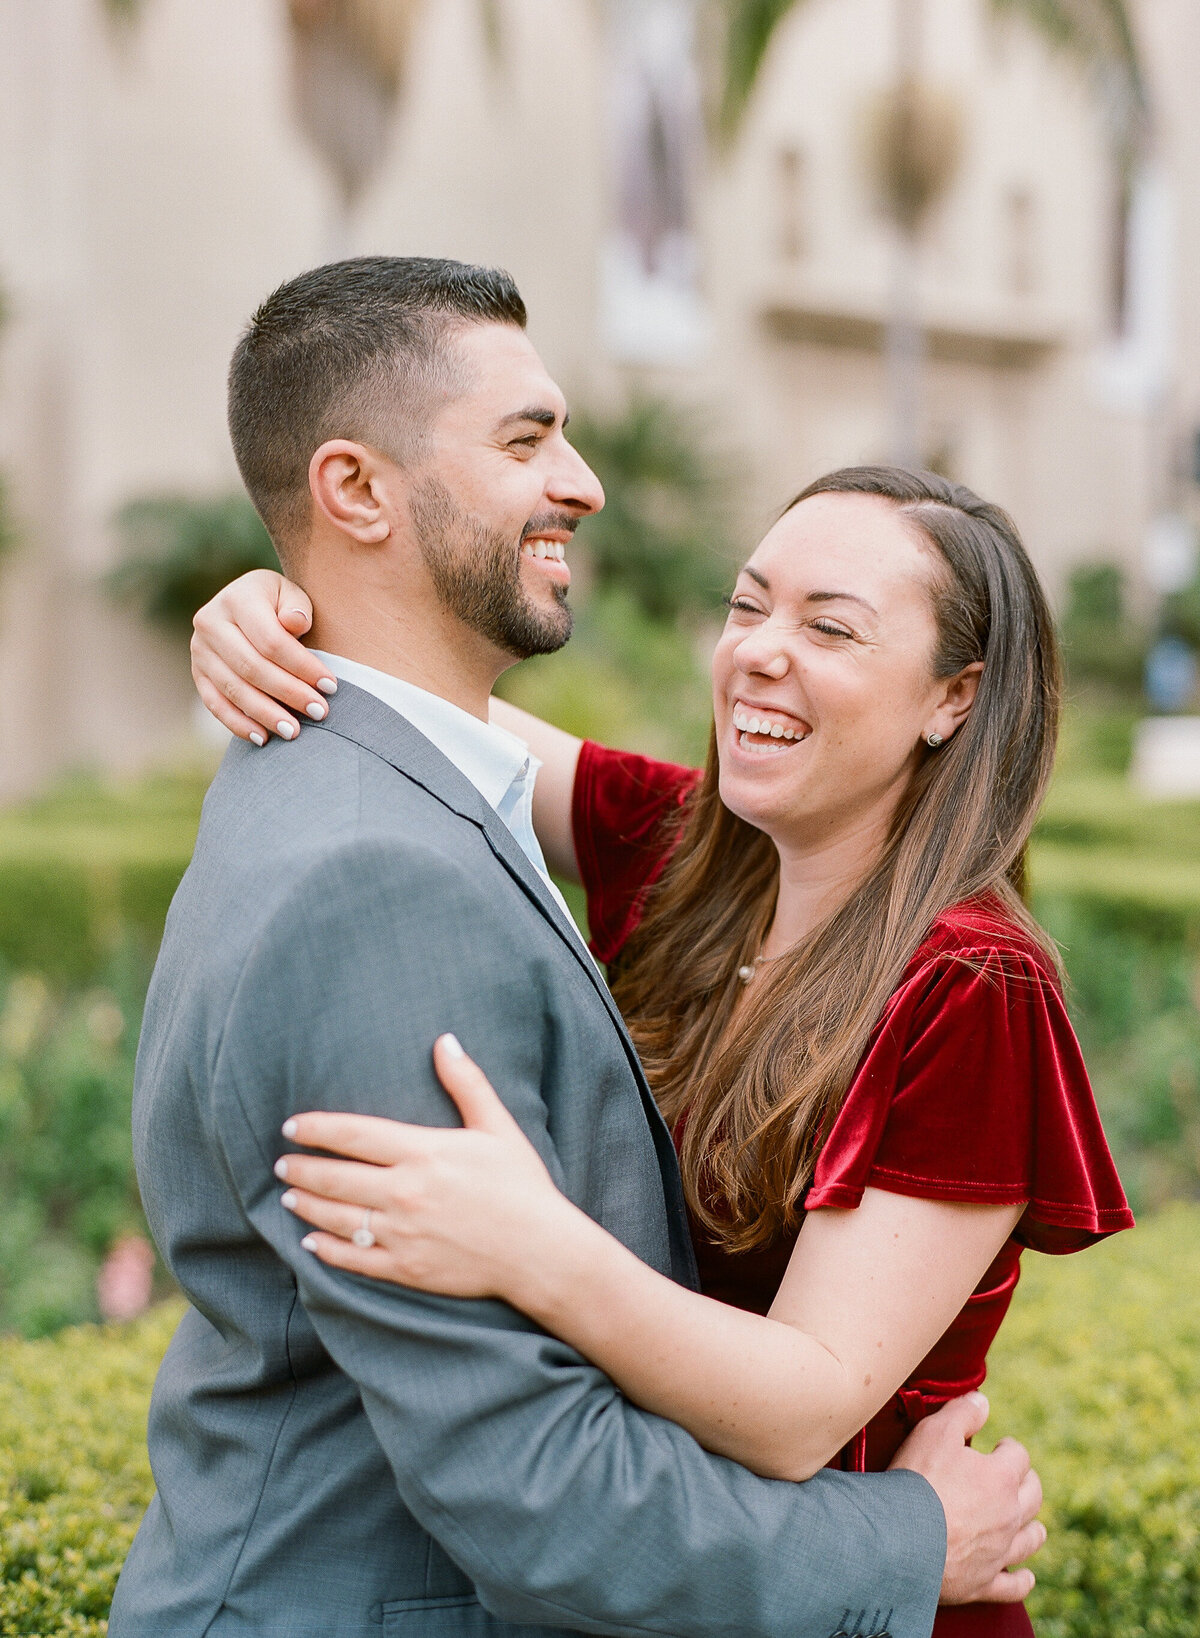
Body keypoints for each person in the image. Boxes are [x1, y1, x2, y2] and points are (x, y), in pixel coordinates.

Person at [111, 258, 1042, 1638]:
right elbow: (535, 1489)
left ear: (955, 699)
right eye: (528, 437)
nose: (586, 482)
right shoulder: (640, 856)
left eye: (833, 627)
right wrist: (267, 606)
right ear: (357, 489)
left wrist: (543, 1245)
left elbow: (806, 1384)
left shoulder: (959, 972)